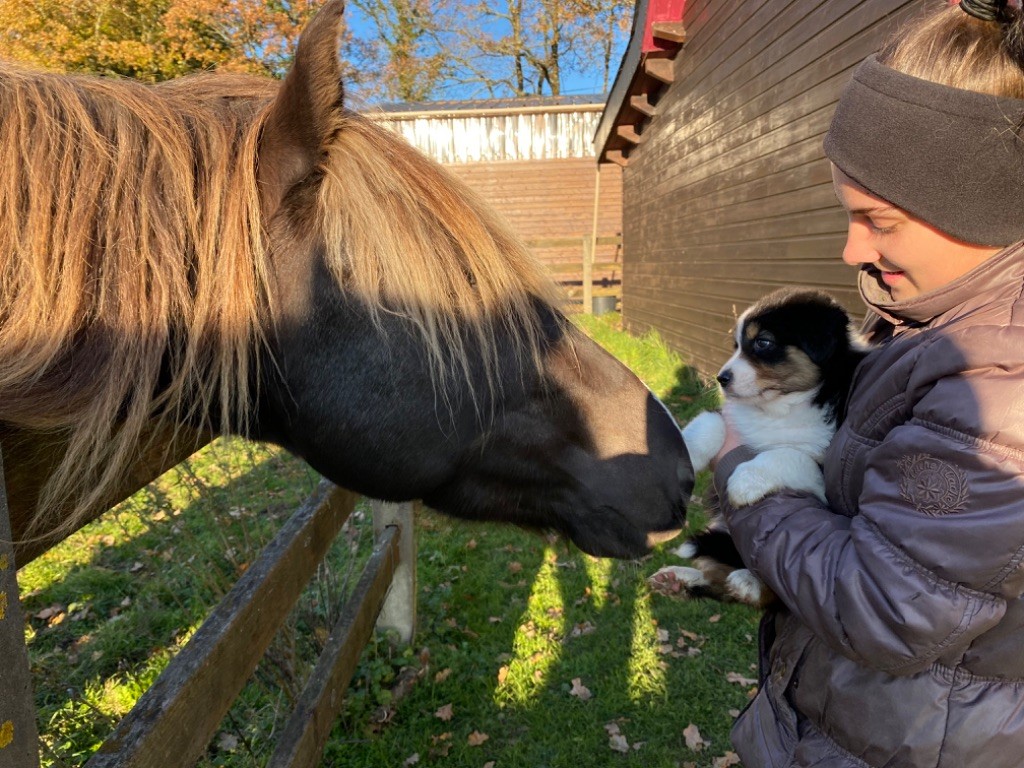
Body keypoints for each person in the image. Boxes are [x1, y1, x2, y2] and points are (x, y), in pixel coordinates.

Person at [710, 1, 1024, 765]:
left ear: (978, 200)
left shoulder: (998, 377)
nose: (852, 245)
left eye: (878, 219)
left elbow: (886, 608)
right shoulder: (933, 320)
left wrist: (745, 471)